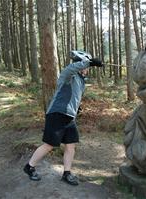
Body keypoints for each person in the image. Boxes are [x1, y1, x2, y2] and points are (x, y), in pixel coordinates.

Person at [23, 51, 103, 185]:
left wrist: (76, 108)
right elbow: (71, 68)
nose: (87, 69)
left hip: (69, 117)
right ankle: (29, 167)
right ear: (80, 64)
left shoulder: (81, 81)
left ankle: (67, 173)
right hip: (57, 114)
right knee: (49, 145)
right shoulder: (69, 74)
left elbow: (73, 96)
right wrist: (90, 62)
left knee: (70, 146)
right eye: (86, 66)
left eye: (88, 67)